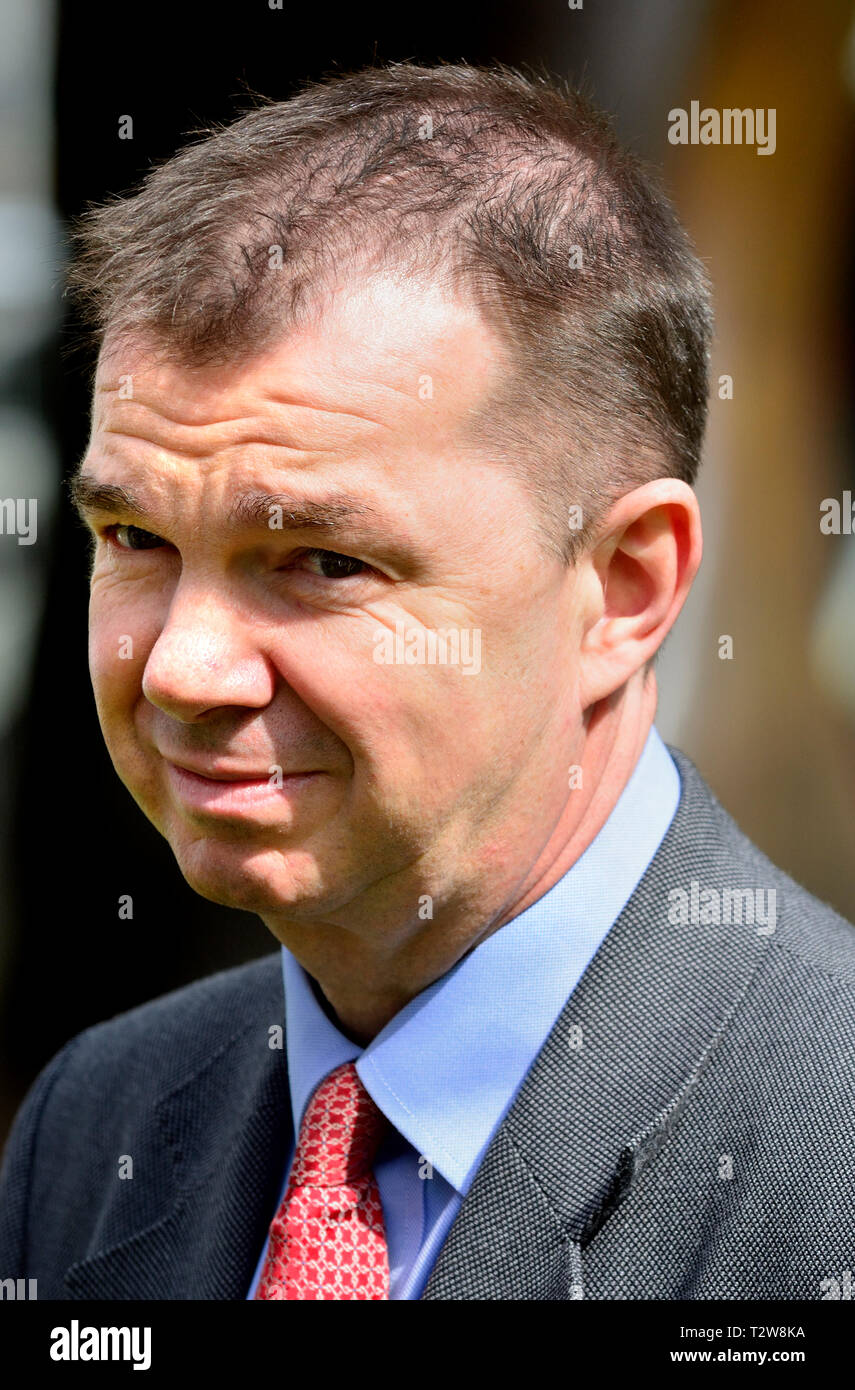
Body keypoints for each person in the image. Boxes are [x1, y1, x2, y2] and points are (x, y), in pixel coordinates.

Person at [1, 60, 853, 1302]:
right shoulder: (99, 1119)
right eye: (134, 539)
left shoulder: (822, 1151)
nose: (185, 668)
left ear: (623, 589)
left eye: (320, 561)